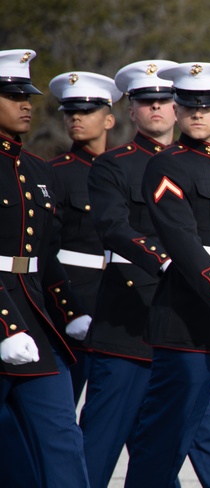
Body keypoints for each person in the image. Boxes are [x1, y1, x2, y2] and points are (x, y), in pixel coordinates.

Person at [0, 47, 160, 488]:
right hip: (4, 319)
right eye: (14, 96)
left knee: (64, 442)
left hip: (35, 319)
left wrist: (65, 315)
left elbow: (47, 257)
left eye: (26, 96)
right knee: (11, 448)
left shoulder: (34, 170)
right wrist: (3, 322)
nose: (27, 106)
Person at [84, 59, 210, 488]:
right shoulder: (143, 167)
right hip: (172, 315)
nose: (192, 112)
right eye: (186, 105)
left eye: (207, 106)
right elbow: (164, 240)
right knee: (153, 442)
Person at [45, 71, 120, 400]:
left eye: (87, 111)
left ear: (108, 120)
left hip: (119, 305)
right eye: (70, 112)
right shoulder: (53, 173)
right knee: (61, 407)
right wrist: (70, 312)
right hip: (71, 302)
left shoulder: (122, 170)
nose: (76, 117)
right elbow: (45, 249)